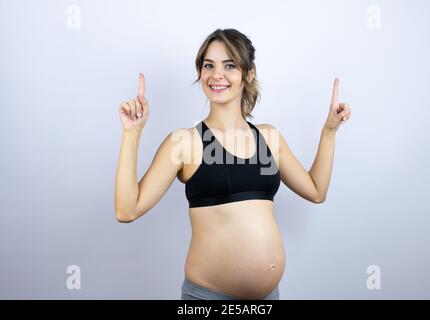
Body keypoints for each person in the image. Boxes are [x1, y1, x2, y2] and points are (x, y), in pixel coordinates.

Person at [114, 28, 351, 300]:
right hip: (208, 298)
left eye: (229, 65)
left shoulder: (269, 137)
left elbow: (316, 191)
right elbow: (127, 210)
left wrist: (329, 132)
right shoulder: (184, 142)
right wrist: (132, 133)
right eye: (208, 65)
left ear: (248, 74)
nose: (217, 75)